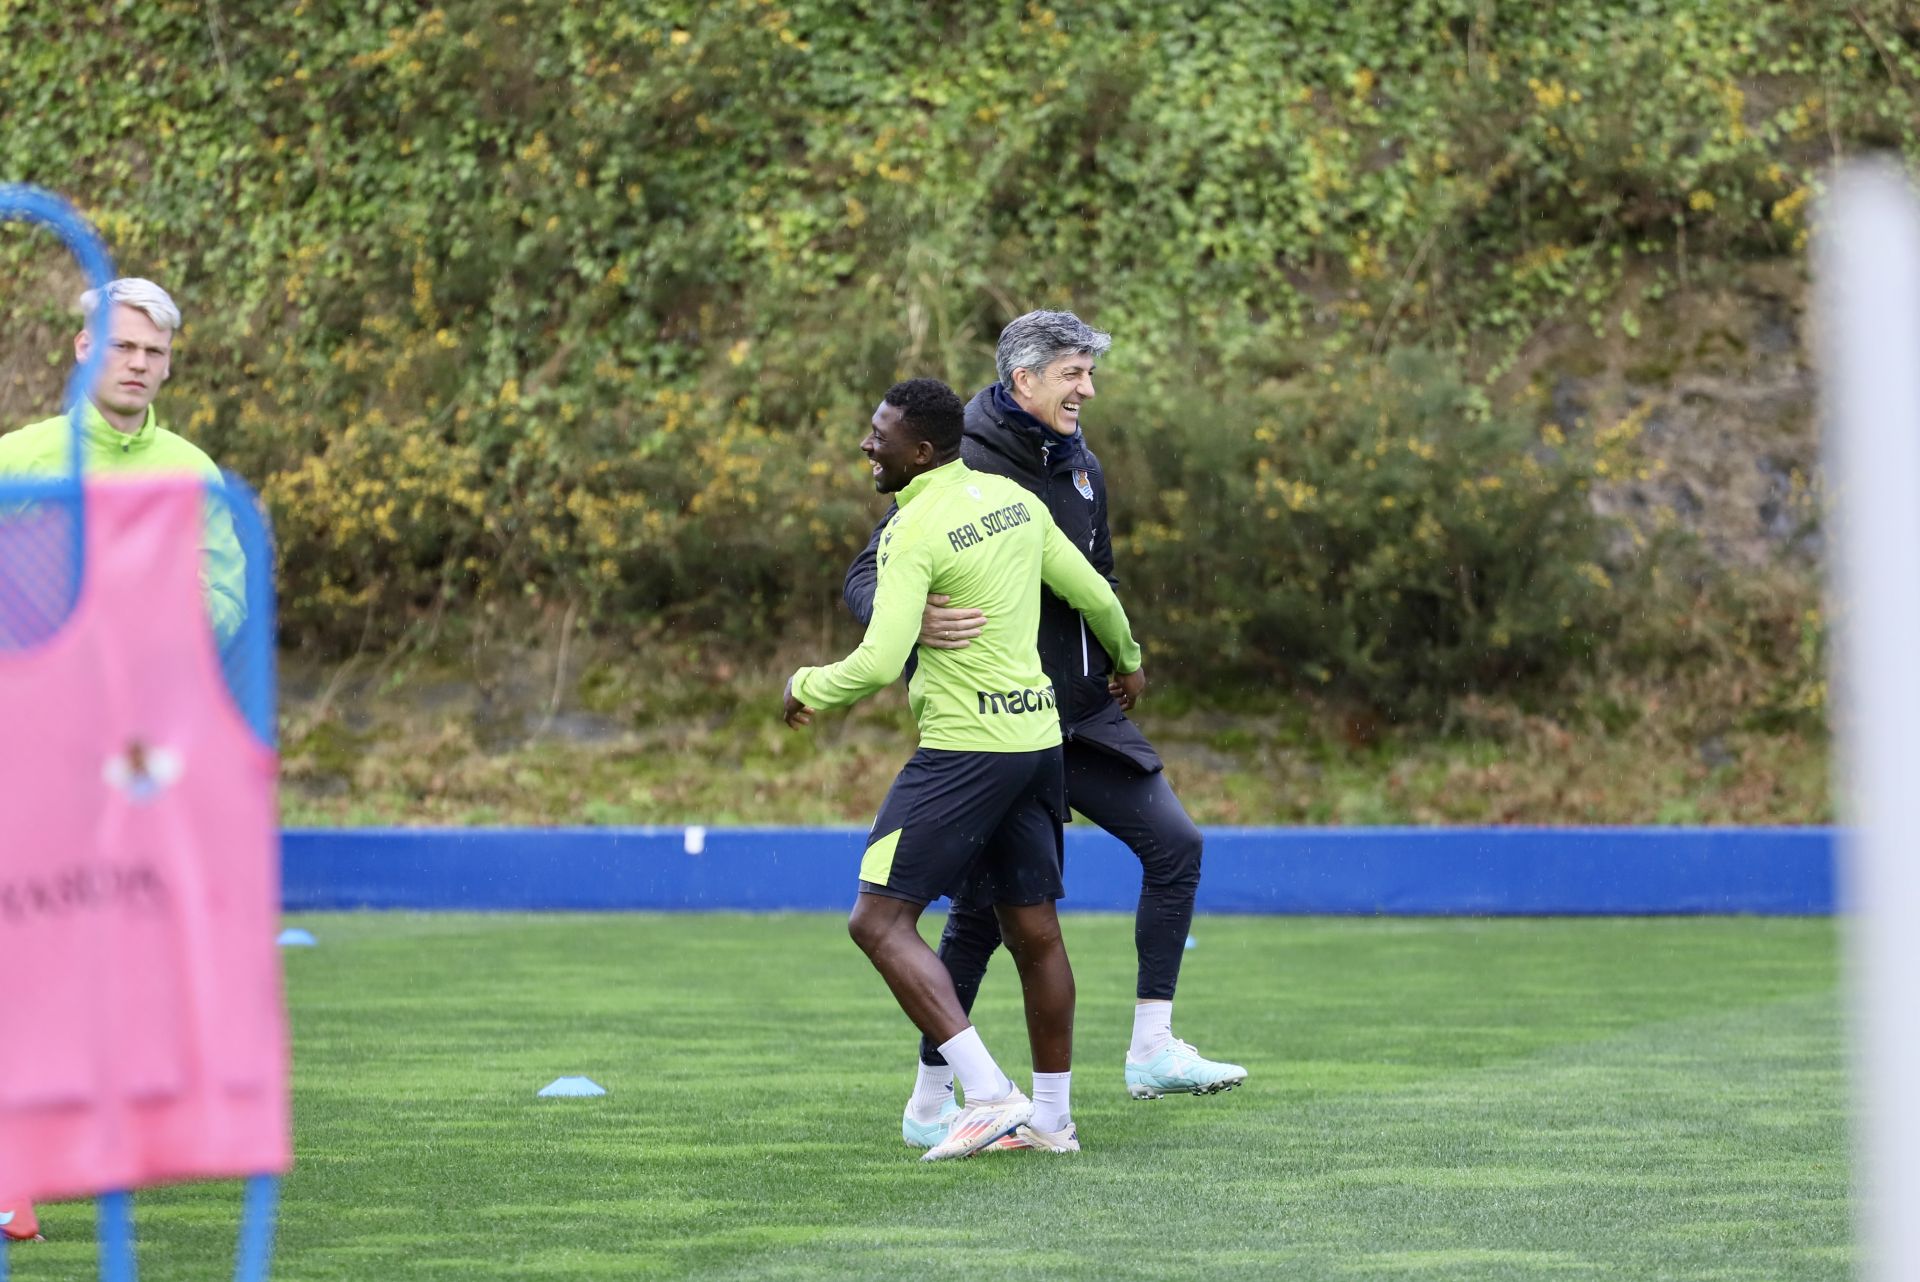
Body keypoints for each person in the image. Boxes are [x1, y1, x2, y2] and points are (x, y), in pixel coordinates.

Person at [844, 311, 1245, 1148]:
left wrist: (1122, 656)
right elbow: (866, 570)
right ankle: (936, 1099)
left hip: (1079, 712)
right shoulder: (957, 458)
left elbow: (1097, 579)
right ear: (1023, 380)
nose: (1088, 390)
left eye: (1089, 373)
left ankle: (1150, 1048)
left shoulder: (1081, 464)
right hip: (998, 722)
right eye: (1073, 373)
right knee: (985, 917)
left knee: (1174, 844)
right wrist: (908, 620)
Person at [785, 377, 1145, 1160]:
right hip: (1036, 743)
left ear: (920, 451)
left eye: (879, 436)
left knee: (876, 921)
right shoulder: (1016, 502)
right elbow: (1095, 594)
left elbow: (878, 662)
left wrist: (804, 685)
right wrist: (1129, 659)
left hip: (965, 752)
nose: (866, 445)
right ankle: (1052, 1123)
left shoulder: (913, 528)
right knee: (1034, 932)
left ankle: (987, 1093)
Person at [0, 277, 245, 646]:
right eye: (122, 346)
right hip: (36, 677)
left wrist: (174, 594)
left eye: (154, 351)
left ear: (168, 363)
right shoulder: (16, 457)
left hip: (148, 679)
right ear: (85, 347)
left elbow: (229, 606)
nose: (139, 364)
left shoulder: (195, 472)